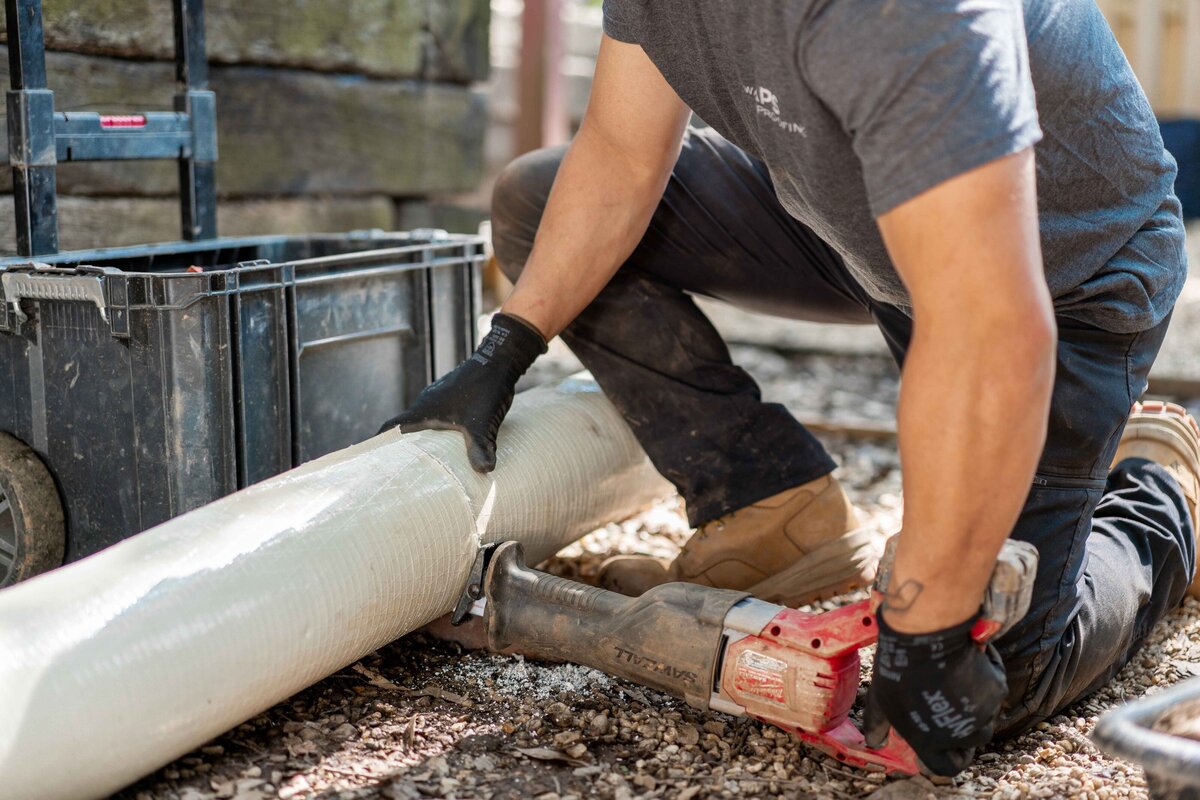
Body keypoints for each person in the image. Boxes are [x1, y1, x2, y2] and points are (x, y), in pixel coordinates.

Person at [381, 0, 1198, 776]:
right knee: (539, 201)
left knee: (986, 677)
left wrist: (928, 624)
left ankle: (1163, 499)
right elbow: (622, 158)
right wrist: (507, 347)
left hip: (1068, 275)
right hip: (862, 224)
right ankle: (773, 508)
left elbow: (991, 327)